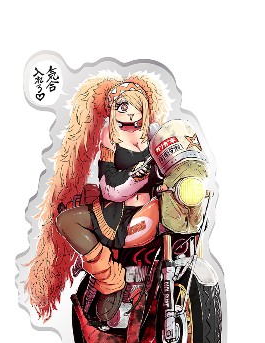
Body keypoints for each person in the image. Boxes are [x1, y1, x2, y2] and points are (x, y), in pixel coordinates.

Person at [26, 72, 170, 321]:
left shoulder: (156, 133)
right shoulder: (110, 136)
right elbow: (108, 186)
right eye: (120, 106)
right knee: (67, 221)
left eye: (132, 104)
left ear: (144, 106)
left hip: (156, 205)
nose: (126, 111)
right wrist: (134, 178)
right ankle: (111, 278)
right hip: (120, 211)